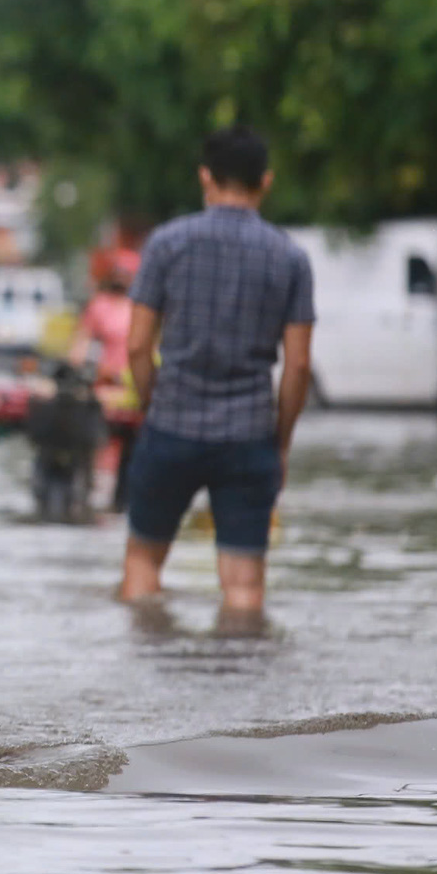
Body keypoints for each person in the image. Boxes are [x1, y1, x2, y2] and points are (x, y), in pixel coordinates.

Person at [120, 125, 314, 614]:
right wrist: (282, 442)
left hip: (171, 426)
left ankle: (143, 683)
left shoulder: (166, 244)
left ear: (205, 177)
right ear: (265, 182)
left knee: (143, 566)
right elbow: (298, 366)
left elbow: (138, 345)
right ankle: (240, 683)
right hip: (249, 437)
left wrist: (153, 406)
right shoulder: (290, 257)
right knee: (244, 588)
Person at [68, 249, 139, 510]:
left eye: (128, 272)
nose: (123, 277)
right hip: (105, 386)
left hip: (136, 387)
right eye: (119, 272)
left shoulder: (144, 308)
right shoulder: (99, 306)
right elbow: (79, 348)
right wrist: (89, 372)